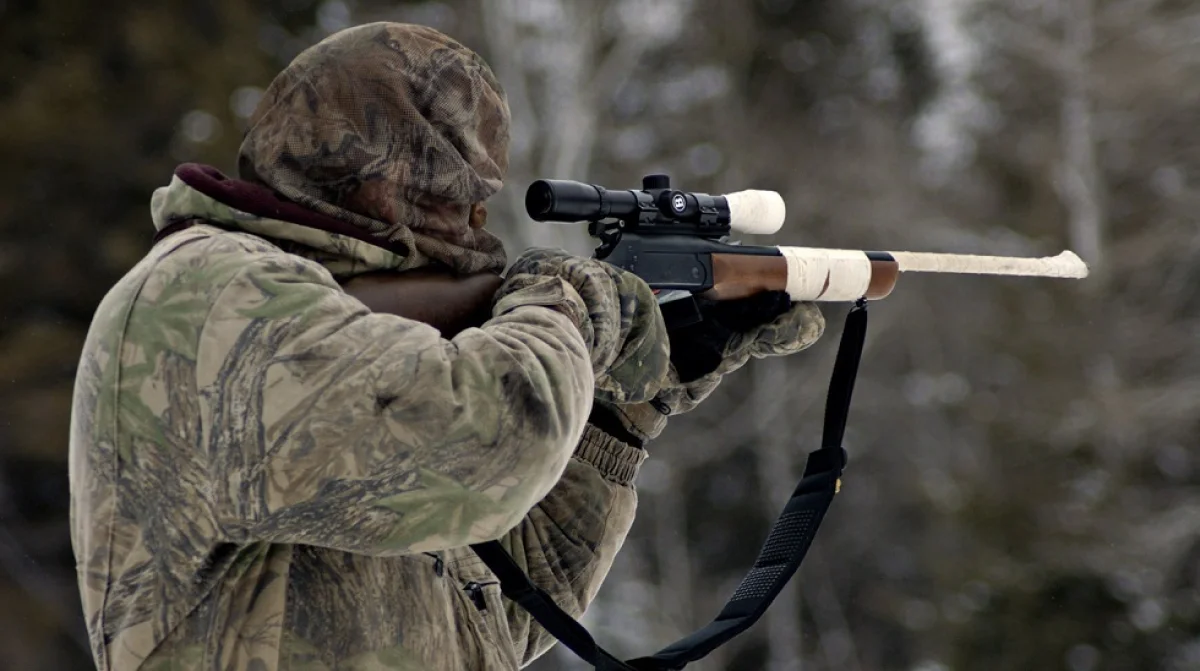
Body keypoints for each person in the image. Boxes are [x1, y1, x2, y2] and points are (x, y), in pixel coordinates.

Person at [68, 22, 825, 671]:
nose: (470, 229)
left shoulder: (353, 338)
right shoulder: (205, 297)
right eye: (450, 200)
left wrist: (622, 408)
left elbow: (501, 611)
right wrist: (568, 304)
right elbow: (489, 447)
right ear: (376, 183)